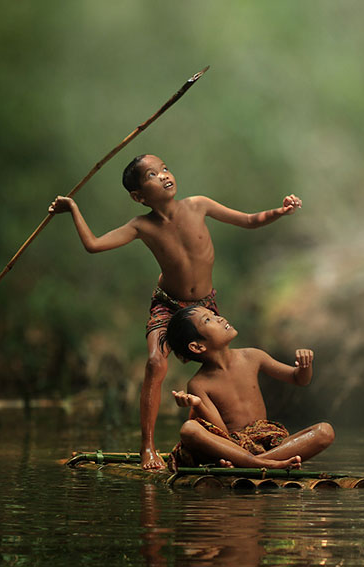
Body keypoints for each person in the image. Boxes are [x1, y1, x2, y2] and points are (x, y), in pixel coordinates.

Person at [49, 154, 303, 469]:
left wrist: (281, 210)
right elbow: (94, 245)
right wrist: (72, 208)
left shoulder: (198, 205)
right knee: (156, 363)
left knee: (223, 366)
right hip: (168, 303)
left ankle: (233, 443)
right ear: (138, 196)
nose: (164, 176)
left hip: (204, 307)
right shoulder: (141, 225)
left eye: (165, 169)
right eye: (152, 175)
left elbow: (250, 220)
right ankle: (148, 448)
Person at [165, 305, 335, 470]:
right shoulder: (198, 384)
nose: (220, 318)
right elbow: (221, 432)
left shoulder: (253, 356)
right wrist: (198, 404)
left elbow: (298, 379)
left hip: (267, 442)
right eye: (208, 320)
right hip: (232, 447)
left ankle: (254, 463)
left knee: (325, 431)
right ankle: (263, 463)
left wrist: (305, 366)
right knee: (189, 429)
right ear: (197, 346)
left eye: (214, 314)